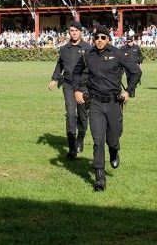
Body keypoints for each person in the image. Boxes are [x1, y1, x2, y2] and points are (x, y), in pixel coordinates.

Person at [72, 25, 142, 191]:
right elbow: (75, 73)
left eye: (103, 38)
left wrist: (128, 91)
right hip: (95, 103)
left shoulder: (118, 54)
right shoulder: (87, 55)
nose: (99, 41)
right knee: (98, 139)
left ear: (108, 39)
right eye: (97, 38)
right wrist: (77, 91)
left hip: (113, 103)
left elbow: (135, 72)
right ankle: (99, 176)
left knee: (113, 137)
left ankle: (114, 151)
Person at [48, 20, 90, 158]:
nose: (74, 33)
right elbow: (60, 64)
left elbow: (92, 69)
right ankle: (72, 147)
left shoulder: (88, 49)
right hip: (68, 85)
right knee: (71, 114)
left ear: (80, 32)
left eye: (76, 30)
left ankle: (80, 139)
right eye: (71, 31)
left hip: (84, 86)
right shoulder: (64, 49)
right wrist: (55, 78)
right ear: (69, 32)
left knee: (83, 118)